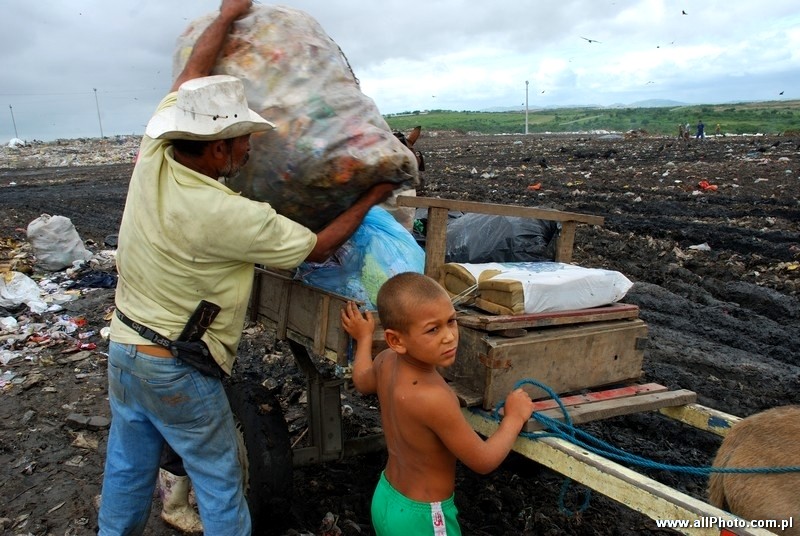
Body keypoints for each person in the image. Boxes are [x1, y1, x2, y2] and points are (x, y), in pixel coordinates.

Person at [97, 0, 396, 534]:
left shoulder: (154, 153)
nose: (250, 149)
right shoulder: (229, 214)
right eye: (243, 142)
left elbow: (193, 76)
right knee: (219, 479)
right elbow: (320, 248)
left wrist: (225, 16)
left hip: (125, 349)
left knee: (127, 468)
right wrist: (374, 191)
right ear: (216, 151)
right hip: (177, 368)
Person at [340, 272, 535, 535]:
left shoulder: (386, 360)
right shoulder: (435, 397)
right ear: (396, 340)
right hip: (424, 518)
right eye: (433, 329)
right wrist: (514, 417)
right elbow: (483, 460)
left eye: (451, 321)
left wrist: (363, 339)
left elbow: (362, 381)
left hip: (386, 498)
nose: (449, 337)